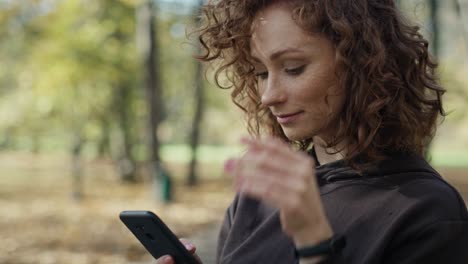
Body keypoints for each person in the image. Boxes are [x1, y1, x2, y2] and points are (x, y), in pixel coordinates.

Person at [156, 0, 468, 263]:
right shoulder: (258, 197)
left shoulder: (428, 212)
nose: (268, 95)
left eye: (293, 68)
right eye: (261, 73)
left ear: (361, 62)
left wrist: (315, 247)